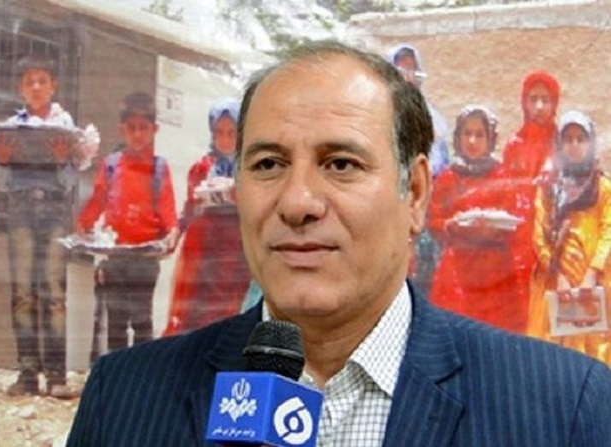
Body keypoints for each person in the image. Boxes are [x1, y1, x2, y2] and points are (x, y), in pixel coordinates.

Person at [67, 40, 611, 446]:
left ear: (415, 193)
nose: (297, 202)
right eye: (269, 164)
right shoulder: (124, 399)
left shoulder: (561, 407)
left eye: (341, 164)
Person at [0, 54, 98, 398]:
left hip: (54, 212)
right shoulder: (10, 126)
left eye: (42, 81)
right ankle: (27, 373)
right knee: (23, 291)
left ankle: (56, 375)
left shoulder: (66, 126)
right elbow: (3, 184)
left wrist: (63, 158)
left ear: (54, 86)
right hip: (21, 209)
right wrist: (3, 161)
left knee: (53, 291)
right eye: (29, 82)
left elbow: (69, 183)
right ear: (20, 89)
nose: (36, 87)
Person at [77, 91, 178, 361]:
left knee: (142, 320)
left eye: (143, 128)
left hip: (145, 259)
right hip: (116, 257)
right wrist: (83, 226)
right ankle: (118, 375)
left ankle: (143, 375)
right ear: (122, 130)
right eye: (131, 128)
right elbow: (98, 200)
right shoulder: (111, 166)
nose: (137, 134)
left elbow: (168, 209)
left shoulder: (159, 169)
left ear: (154, 130)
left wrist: (172, 232)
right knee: (116, 322)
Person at [428, 105, 523, 332]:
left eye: (479, 135)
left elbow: (515, 219)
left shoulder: (501, 177)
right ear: (458, 137)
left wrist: (492, 227)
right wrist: (451, 225)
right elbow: (433, 220)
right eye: (467, 134)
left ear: (490, 139)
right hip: (457, 272)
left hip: (495, 273)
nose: (472, 141)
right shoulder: (447, 178)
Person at [527, 110, 611, 365]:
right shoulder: (548, 188)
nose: (574, 145)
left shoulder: (602, 188)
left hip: (595, 287)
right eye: (568, 139)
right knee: (553, 360)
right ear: (559, 144)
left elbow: (608, 231)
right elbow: (539, 236)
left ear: (591, 142)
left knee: (595, 356)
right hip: (555, 286)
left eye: (580, 139)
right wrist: (558, 276)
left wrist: (592, 273)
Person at [163, 99, 251, 336]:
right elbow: (189, 208)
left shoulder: (249, 169)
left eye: (231, 133)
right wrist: (175, 233)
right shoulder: (202, 167)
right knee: (193, 305)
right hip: (203, 246)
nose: (225, 139)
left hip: (235, 249)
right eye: (219, 132)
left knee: (229, 306)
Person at [388, 43, 448, 300]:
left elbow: (442, 166)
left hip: (425, 210)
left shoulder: (434, 121)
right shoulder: (377, 117)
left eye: (412, 70)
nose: (407, 76)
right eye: (400, 69)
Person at [502, 70, 561, 330]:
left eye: (545, 100)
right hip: (521, 236)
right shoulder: (514, 144)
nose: (539, 106)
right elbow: (507, 190)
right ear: (524, 102)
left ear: (554, 104)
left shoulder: (563, 142)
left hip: (554, 232)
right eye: (533, 99)